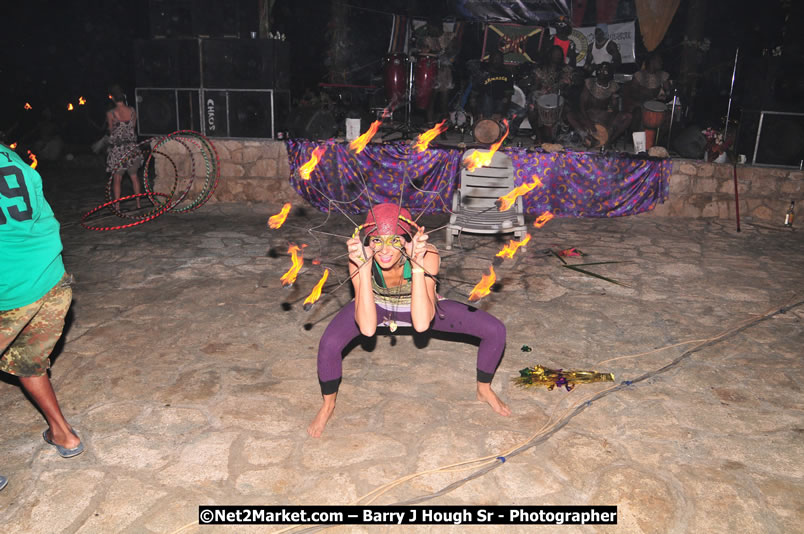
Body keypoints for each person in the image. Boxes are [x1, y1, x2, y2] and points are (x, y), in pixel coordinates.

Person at [308, 203, 511, 438]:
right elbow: (366, 328)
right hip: (375, 306)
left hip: (419, 306)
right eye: (376, 241)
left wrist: (417, 266)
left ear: (407, 241)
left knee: (495, 330)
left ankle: (483, 390)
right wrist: (362, 269)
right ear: (368, 241)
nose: (384, 250)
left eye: (394, 241)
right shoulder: (359, 257)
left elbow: (422, 323)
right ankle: (328, 404)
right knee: (329, 345)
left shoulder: (428, 255)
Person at [1, 142, 84, 459]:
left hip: (9, 290)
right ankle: (64, 435)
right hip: (50, 279)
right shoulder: (11, 157)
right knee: (28, 361)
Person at [567, 62, 631, 148]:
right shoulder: (589, 83)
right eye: (600, 70)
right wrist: (589, 122)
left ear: (610, 74)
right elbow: (582, 105)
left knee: (627, 116)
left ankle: (609, 141)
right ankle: (586, 136)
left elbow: (614, 110)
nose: (601, 72)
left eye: (605, 71)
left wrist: (613, 104)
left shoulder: (613, 86)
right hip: (589, 117)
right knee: (570, 115)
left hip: (605, 118)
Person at [526, 46, 574, 143]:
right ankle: (538, 135)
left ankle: (562, 135)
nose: (558, 56)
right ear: (550, 55)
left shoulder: (566, 69)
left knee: (568, 109)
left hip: (559, 97)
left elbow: (570, 87)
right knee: (532, 107)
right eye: (555, 54)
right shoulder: (540, 69)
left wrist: (566, 84)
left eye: (559, 54)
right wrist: (541, 89)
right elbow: (535, 86)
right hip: (543, 97)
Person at [106, 88, 142, 210]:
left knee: (117, 178)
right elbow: (134, 127)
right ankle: (138, 203)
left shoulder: (111, 113)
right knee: (134, 176)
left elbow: (111, 130)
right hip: (132, 148)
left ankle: (117, 206)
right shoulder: (132, 110)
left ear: (114, 99)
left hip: (118, 150)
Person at [477, 50, 514, 119]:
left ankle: (499, 122)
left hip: (501, 100)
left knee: (520, 110)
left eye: (498, 59)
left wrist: (505, 105)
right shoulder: (483, 73)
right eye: (494, 58)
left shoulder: (506, 73)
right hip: (486, 101)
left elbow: (509, 92)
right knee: (487, 98)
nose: (496, 61)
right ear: (490, 59)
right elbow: (476, 91)